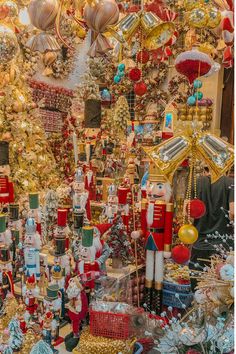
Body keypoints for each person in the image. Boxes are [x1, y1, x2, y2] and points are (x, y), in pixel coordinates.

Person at [190, 167, 234, 288]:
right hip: (223, 245)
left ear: (205, 169)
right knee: (219, 291)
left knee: (198, 287)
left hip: (199, 244)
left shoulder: (195, 183)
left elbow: (188, 214)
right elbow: (233, 212)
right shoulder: (230, 183)